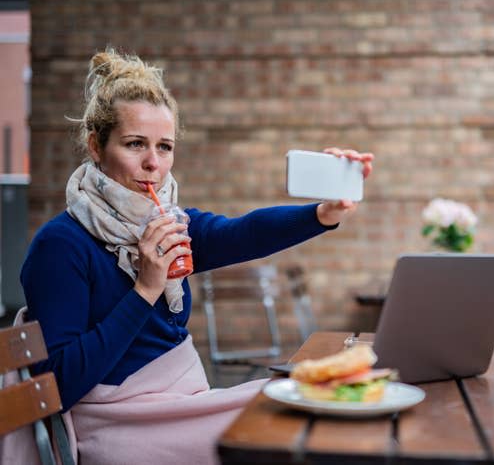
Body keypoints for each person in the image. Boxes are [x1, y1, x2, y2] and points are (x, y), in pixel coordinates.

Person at [18, 48, 373, 464]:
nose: (153, 163)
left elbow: (243, 232)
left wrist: (322, 213)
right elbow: (58, 385)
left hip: (181, 404)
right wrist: (146, 289)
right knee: (290, 421)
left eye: (164, 147)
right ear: (96, 147)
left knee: (309, 403)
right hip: (117, 424)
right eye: (135, 144)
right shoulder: (60, 245)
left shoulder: (171, 223)